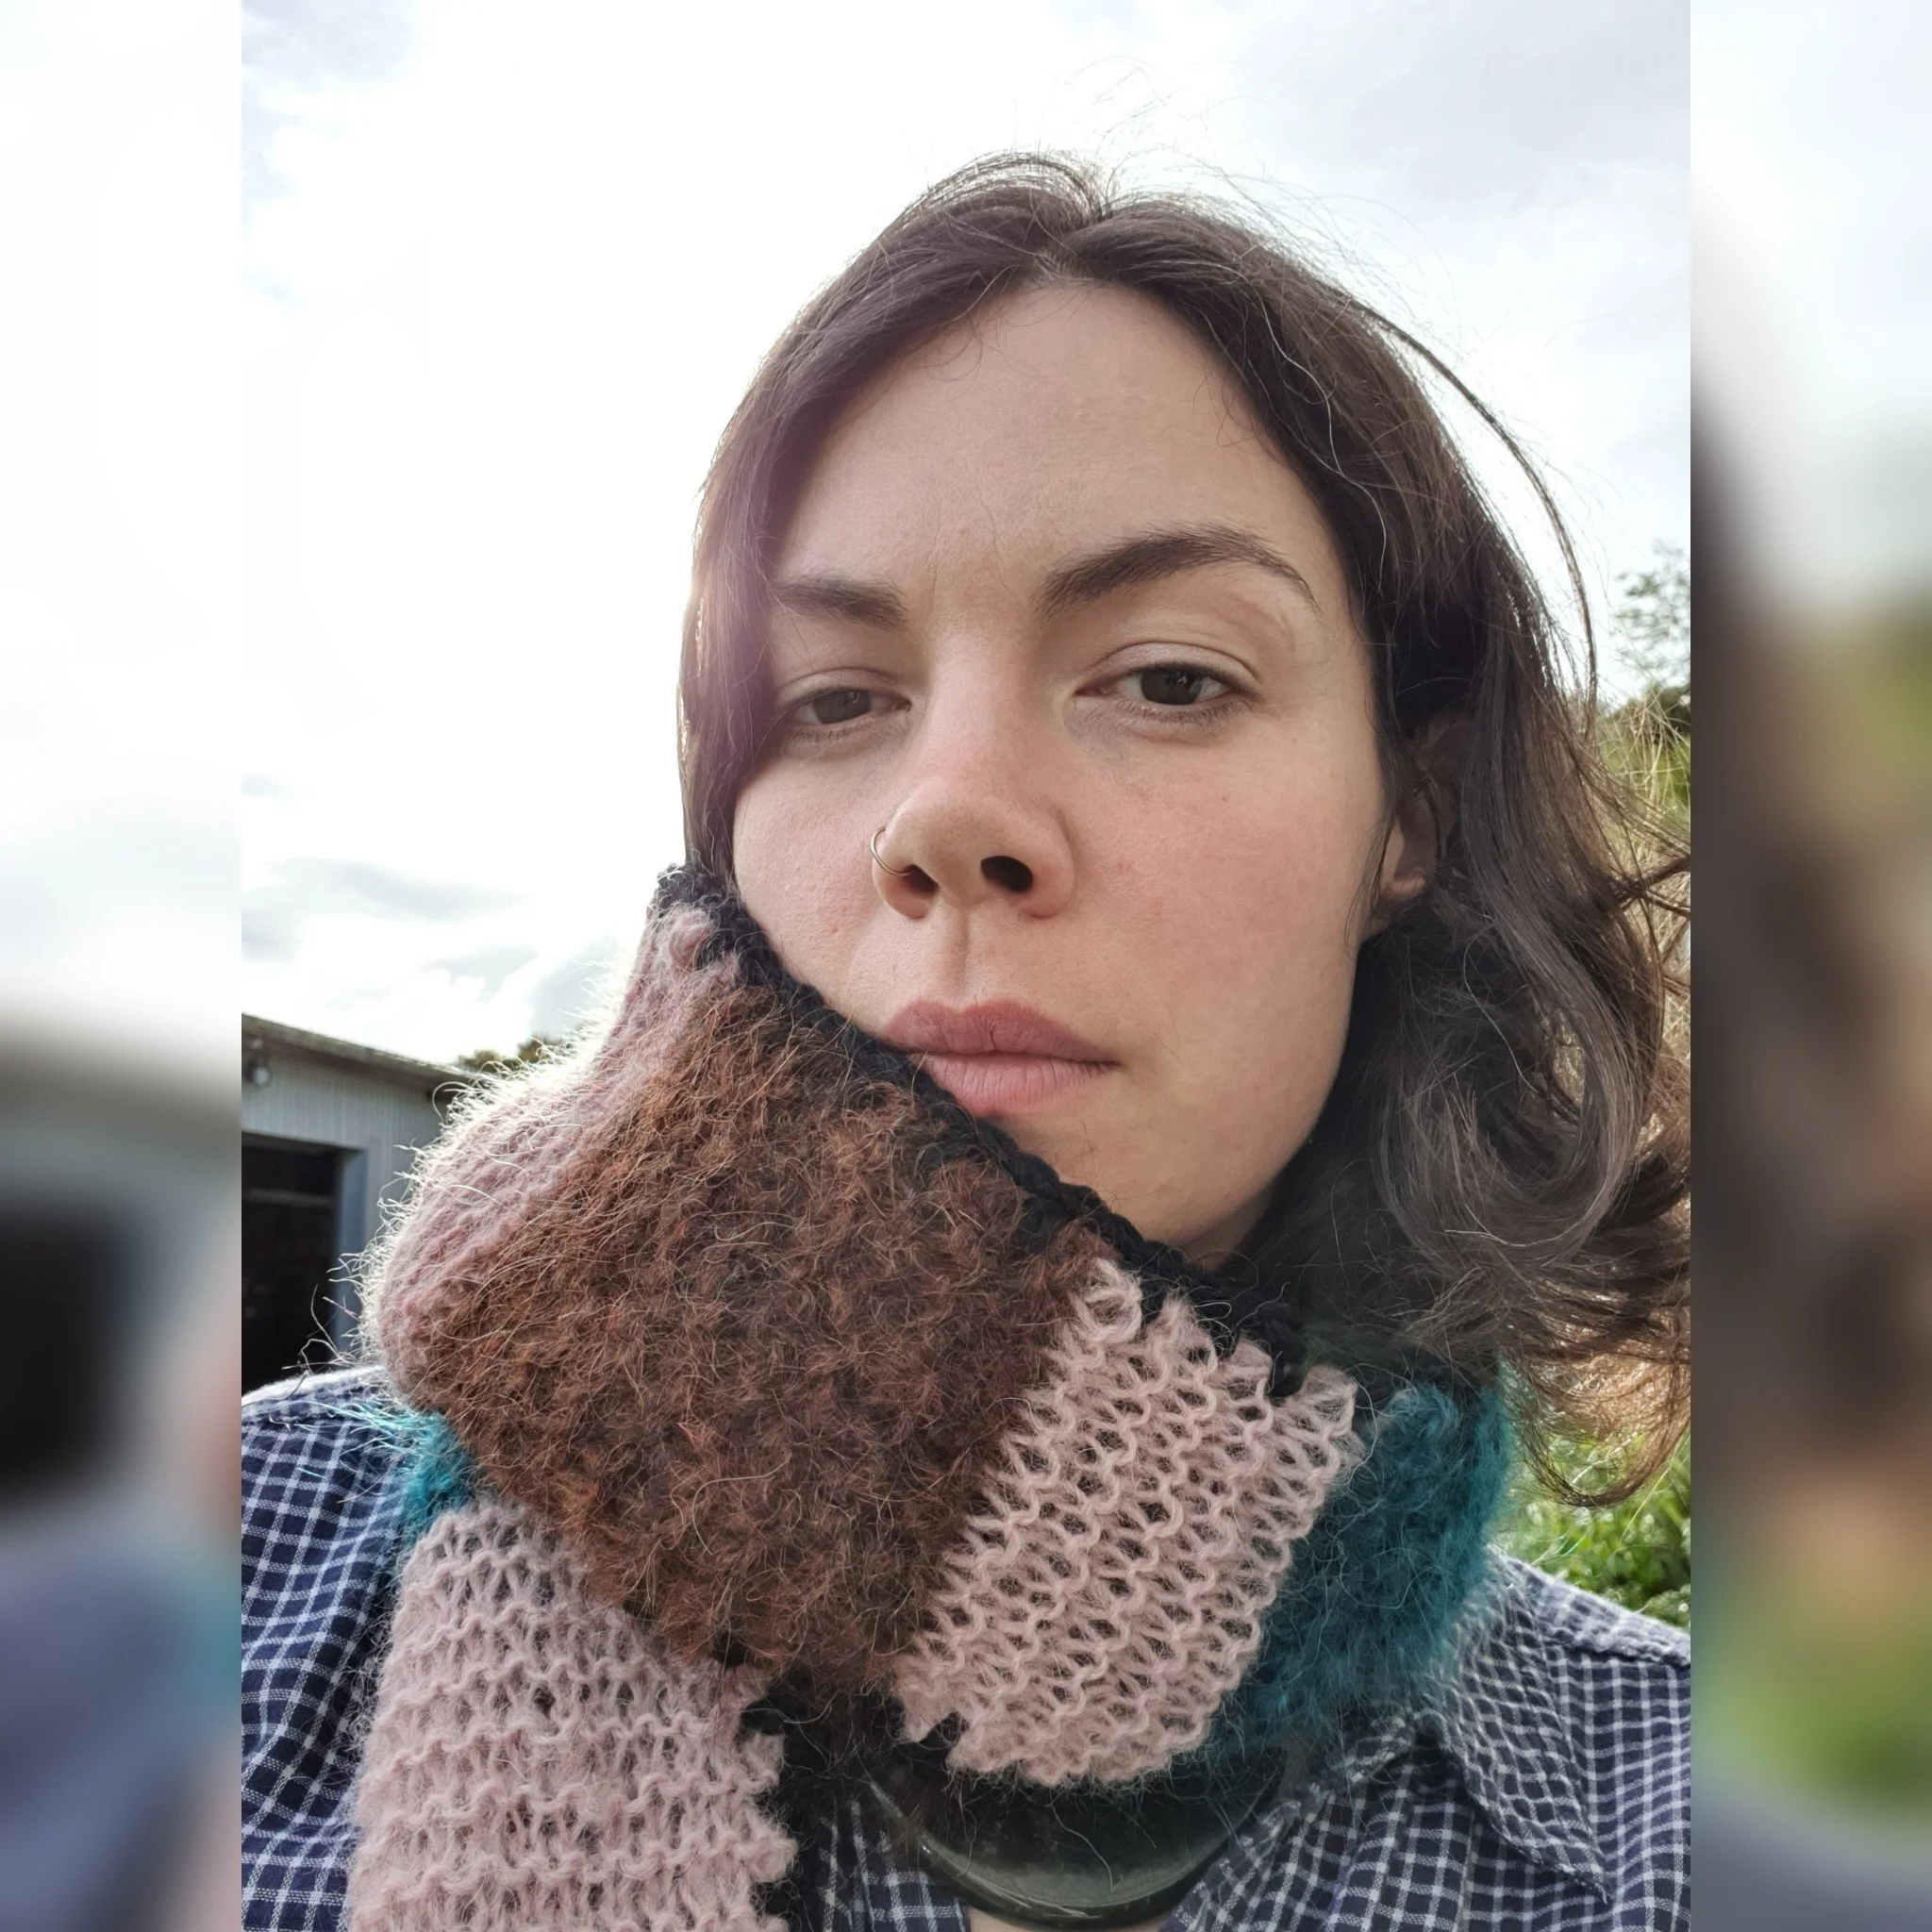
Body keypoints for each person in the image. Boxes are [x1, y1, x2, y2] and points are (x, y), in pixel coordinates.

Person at [242, 155, 1689, 1932]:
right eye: (833, 700)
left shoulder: (1672, 1825)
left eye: (1169, 675)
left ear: (1413, 817)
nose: (949, 815)